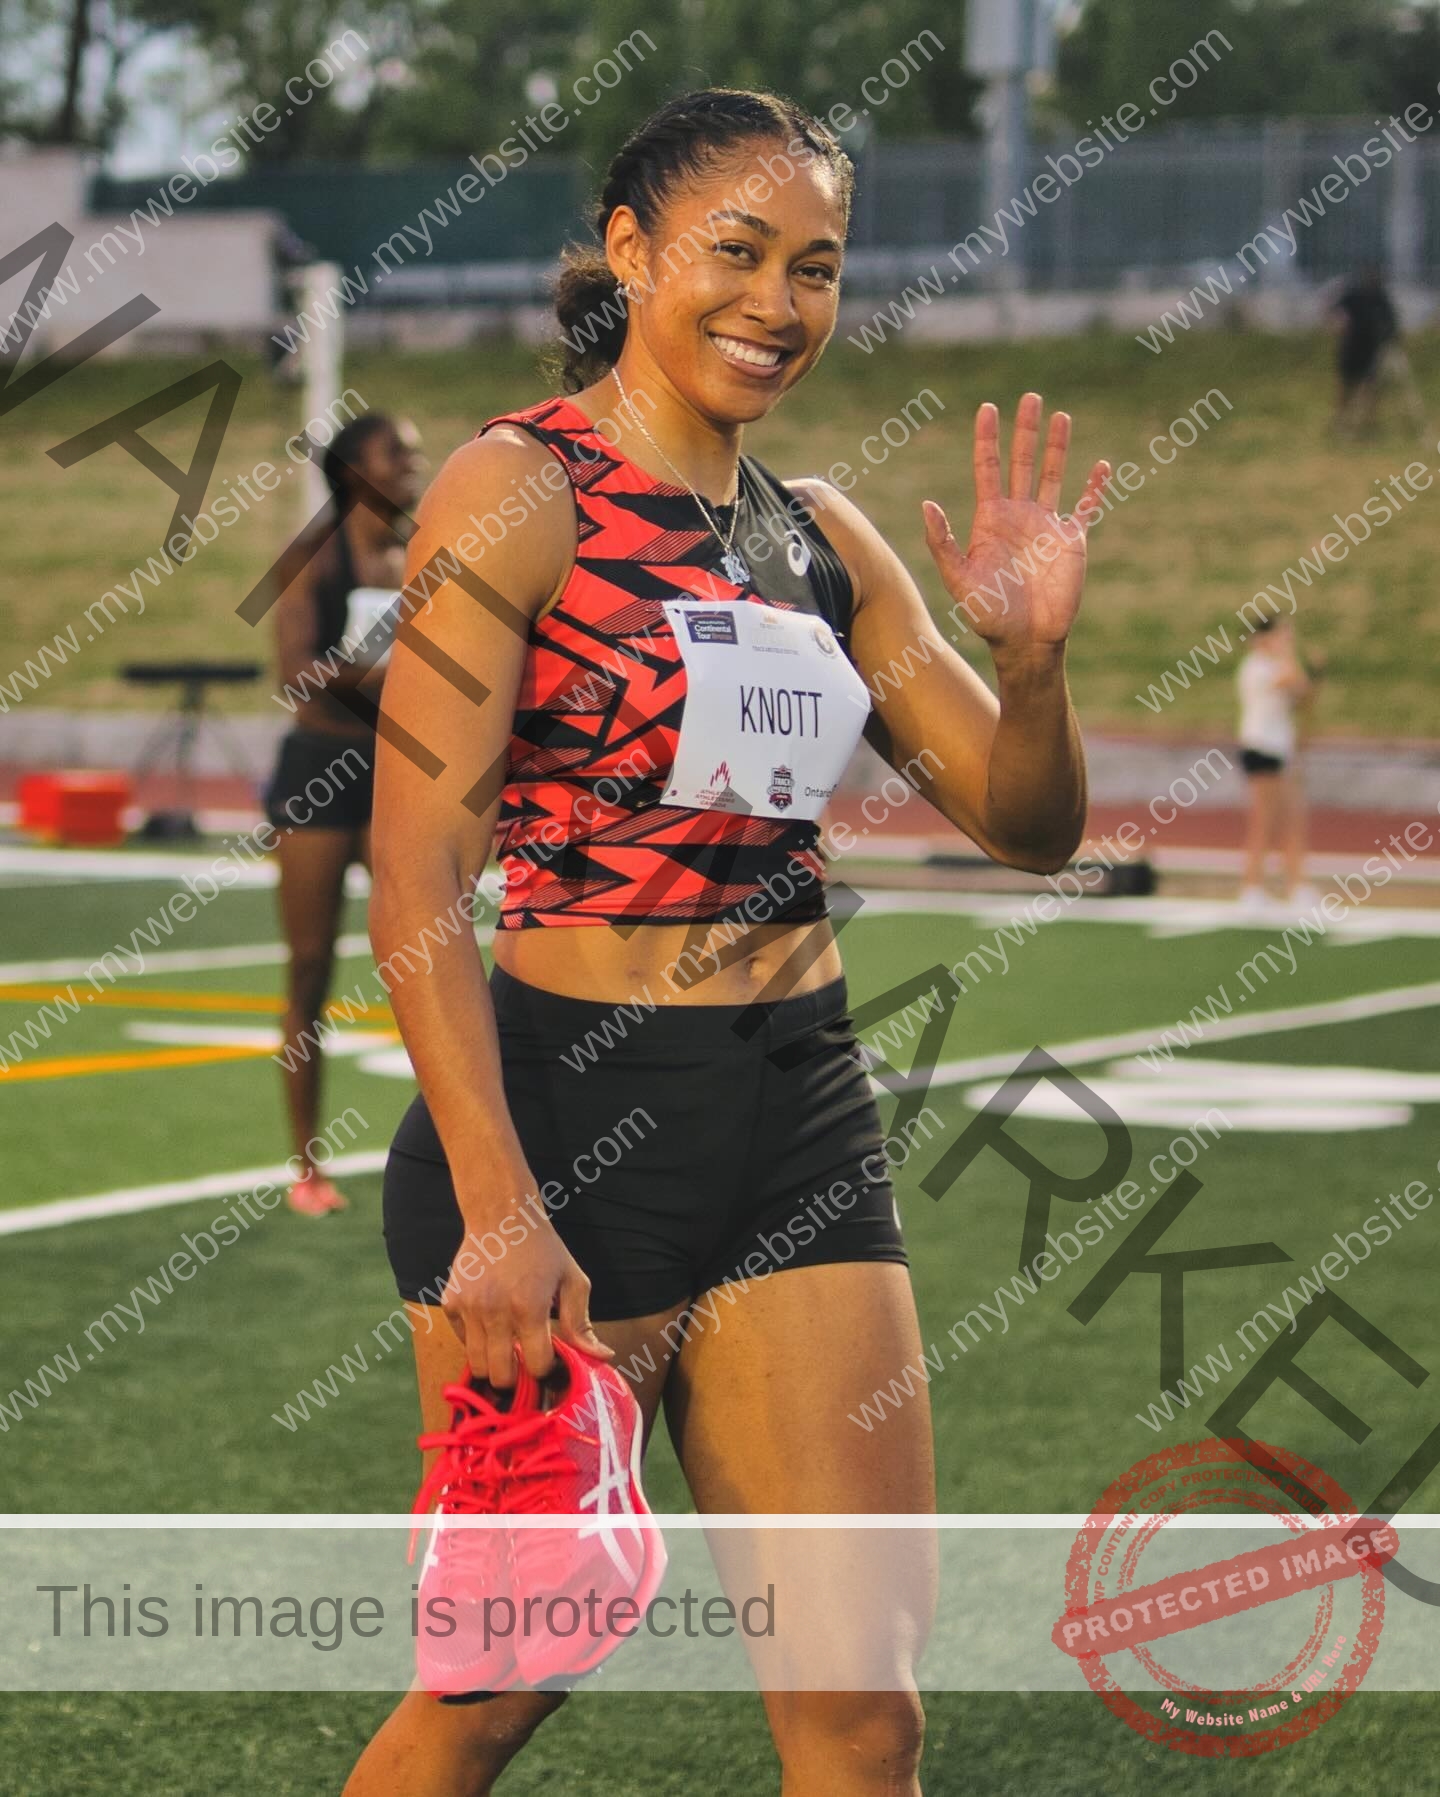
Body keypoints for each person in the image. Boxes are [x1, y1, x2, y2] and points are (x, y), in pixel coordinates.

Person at [347, 87, 1110, 1797]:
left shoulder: (818, 536)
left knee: (864, 1715)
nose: (779, 303)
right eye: (739, 253)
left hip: (798, 1112)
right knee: (497, 1687)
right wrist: (501, 1211)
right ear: (632, 252)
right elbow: (416, 877)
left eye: (816, 268)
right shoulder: (517, 486)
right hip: (566, 1120)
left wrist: (1037, 660)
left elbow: (1031, 823)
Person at [261, 412, 425, 1214]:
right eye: (399, 452)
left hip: (399, 772)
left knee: (429, 961)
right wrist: (396, 674)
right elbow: (295, 674)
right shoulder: (311, 559)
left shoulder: (424, 554)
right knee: (310, 966)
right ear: (355, 470)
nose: (415, 463)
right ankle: (307, 1165)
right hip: (321, 775)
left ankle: (453, 1153)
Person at [1236, 612, 1317, 912]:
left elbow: (1304, 695)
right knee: (1264, 822)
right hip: (1262, 751)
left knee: (1291, 820)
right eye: (1281, 634)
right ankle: (1252, 887)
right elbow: (1293, 681)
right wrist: (1288, 655)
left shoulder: (1273, 666)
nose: (1287, 640)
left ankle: (1296, 885)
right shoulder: (1256, 667)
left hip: (1280, 751)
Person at [1328, 265, 1424, 438]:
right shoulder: (1354, 295)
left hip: (1372, 351)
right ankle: (1341, 423)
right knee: (1347, 388)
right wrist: (1339, 323)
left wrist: (1392, 339)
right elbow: (1334, 311)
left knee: (1371, 389)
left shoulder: (1381, 298)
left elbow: (1392, 323)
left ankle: (1367, 424)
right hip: (1352, 348)